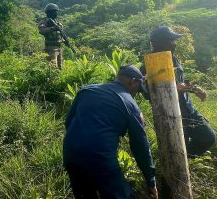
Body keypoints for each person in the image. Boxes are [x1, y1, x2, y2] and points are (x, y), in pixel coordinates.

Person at [63, 65, 158, 199]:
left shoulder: (87, 90)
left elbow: (68, 123)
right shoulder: (130, 104)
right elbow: (140, 145)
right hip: (99, 157)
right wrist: (151, 181)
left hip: (70, 154)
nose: (136, 94)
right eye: (137, 89)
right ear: (132, 82)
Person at [143, 25, 216, 158]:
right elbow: (147, 93)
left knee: (208, 137)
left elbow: (181, 82)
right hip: (170, 115)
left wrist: (195, 89)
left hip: (189, 110)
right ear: (161, 43)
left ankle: (188, 160)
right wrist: (169, 88)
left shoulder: (173, 58)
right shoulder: (149, 64)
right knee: (178, 147)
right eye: (171, 41)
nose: (174, 44)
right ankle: (178, 170)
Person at [38, 3, 65, 69]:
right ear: (49, 12)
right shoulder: (44, 21)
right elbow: (42, 31)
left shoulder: (58, 23)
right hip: (50, 48)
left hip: (59, 47)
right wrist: (53, 28)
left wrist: (64, 41)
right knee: (52, 67)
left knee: (60, 67)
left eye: (56, 11)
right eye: (55, 11)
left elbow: (60, 35)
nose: (56, 13)